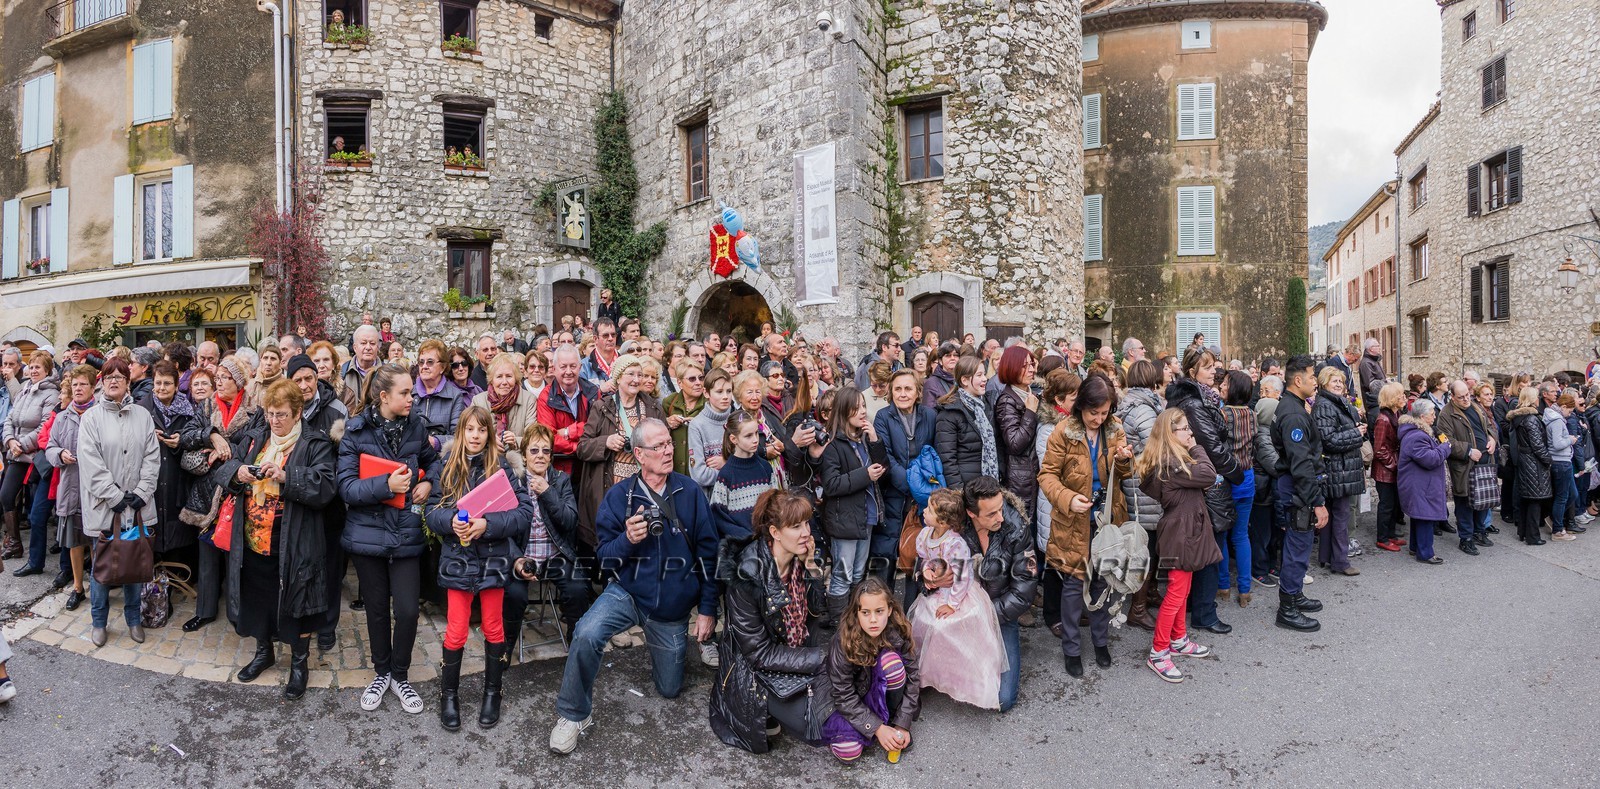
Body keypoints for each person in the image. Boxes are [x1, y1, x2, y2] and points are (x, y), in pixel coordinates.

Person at [548, 418, 719, 754]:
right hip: (627, 593)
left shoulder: (690, 492)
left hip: (671, 607)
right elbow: (606, 560)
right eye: (659, 446)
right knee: (586, 632)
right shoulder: (618, 497)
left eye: (669, 443)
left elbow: (709, 554)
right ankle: (573, 715)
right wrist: (627, 539)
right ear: (639, 454)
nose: (669, 450)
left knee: (669, 689)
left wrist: (708, 609)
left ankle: (665, 647)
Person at [214, 379, 337, 698]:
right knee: (260, 600)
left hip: (295, 540)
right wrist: (238, 472)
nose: (274, 420)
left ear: (297, 413)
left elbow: (325, 488)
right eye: (269, 413)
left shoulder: (314, 443)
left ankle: (299, 663)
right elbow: (224, 469)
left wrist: (285, 476)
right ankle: (263, 652)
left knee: (300, 603)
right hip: (255, 540)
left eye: (281, 414)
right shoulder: (256, 439)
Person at [338, 363, 442, 715]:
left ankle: (401, 675)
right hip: (368, 534)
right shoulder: (355, 431)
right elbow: (346, 487)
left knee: (410, 610)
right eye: (405, 393)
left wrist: (429, 483)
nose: (412, 398)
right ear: (384, 397)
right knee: (378, 611)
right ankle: (382, 673)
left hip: (407, 531)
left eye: (411, 392)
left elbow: (436, 462)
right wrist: (386, 486)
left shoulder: (416, 426)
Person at [425, 406, 537, 730]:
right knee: (456, 630)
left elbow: (523, 513)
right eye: (469, 429)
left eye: (481, 430)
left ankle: (493, 692)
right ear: (461, 432)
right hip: (458, 560)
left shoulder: (502, 467)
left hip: (492, 559)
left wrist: (486, 524)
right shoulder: (445, 466)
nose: (475, 436)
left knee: (493, 627)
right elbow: (432, 511)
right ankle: (449, 695)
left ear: (490, 434)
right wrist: (452, 523)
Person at [709, 489, 831, 753]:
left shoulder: (799, 557)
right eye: (796, 526)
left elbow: (817, 612)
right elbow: (759, 654)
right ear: (775, 532)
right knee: (823, 725)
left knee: (846, 690)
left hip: (792, 655)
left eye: (807, 523)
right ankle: (766, 711)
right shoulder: (748, 574)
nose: (806, 532)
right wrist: (819, 658)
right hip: (756, 674)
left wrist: (811, 568)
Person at [1038, 373, 1131, 677]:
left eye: (1105, 413)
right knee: (1074, 587)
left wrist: (1125, 460)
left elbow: (1125, 474)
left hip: (1107, 519)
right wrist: (1067, 498)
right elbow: (1047, 476)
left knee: (1103, 582)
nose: (1099, 419)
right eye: (1094, 413)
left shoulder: (1115, 429)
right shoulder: (1062, 432)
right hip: (1072, 521)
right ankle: (1072, 648)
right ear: (1080, 407)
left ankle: (1101, 642)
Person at [76, 359, 160, 647]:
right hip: (105, 508)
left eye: (119, 376)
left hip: (137, 508)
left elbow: (152, 456)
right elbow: (90, 463)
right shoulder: (91, 418)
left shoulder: (142, 415)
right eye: (109, 376)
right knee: (103, 566)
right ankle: (99, 621)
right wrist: (114, 495)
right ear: (102, 381)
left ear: (128, 381)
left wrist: (141, 492)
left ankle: (133, 619)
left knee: (134, 565)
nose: (114, 381)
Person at [1136, 408, 1221, 683]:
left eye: (1188, 428)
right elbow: (1209, 474)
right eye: (1184, 428)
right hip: (1179, 536)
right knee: (1175, 594)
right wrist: (1196, 447)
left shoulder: (1172, 462)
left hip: (1184, 533)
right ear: (1170, 434)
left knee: (1181, 592)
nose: (1190, 433)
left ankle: (1178, 639)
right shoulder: (1173, 464)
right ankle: (1159, 652)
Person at [1164, 348, 1241, 634]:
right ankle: (1205, 613)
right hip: (1208, 481)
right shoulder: (1194, 404)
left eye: (1213, 367)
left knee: (1205, 545)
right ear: (1193, 372)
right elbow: (1212, 447)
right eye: (1208, 368)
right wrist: (1237, 472)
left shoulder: (1199, 399)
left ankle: (1200, 606)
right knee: (1209, 548)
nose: (1214, 371)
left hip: (1202, 478)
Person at [906, 488, 1004, 708]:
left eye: (929, 509)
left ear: (942, 521)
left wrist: (952, 604)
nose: (924, 511)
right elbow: (924, 559)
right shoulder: (924, 535)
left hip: (956, 594)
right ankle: (928, 674)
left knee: (947, 629)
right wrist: (926, 572)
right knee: (923, 624)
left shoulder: (955, 544)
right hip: (935, 591)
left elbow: (962, 577)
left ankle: (959, 678)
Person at [948, 476, 1036, 712]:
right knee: (958, 686)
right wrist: (929, 577)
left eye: (1001, 509)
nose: (1000, 517)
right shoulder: (954, 523)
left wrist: (986, 614)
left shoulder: (1016, 527)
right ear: (971, 513)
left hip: (1000, 614)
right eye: (991, 514)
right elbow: (931, 558)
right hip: (963, 612)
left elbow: (1024, 588)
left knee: (1004, 699)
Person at [821, 576, 920, 762]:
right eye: (865, 612)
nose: (873, 620)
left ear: (889, 610)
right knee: (848, 752)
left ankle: (890, 721)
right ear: (856, 613)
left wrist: (902, 723)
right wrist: (876, 728)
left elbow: (913, 676)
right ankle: (878, 728)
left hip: (881, 696)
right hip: (852, 702)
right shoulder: (842, 641)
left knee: (892, 664)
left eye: (879, 611)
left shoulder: (898, 631)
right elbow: (843, 695)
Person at [504, 423, 585, 646]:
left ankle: (576, 642)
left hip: (554, 555)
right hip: (523, 555)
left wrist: (548, 492)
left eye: (546, 450)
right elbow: (504, 529)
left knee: (578, 588)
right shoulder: (514, 482)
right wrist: (516, 560)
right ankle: (506, 646)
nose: (540, 456)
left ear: (551, 455)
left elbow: (569, 521)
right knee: (514, 594)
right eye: (534, 450)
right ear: (524, 454)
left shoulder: (560, 480)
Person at [576, 355, 664, 547]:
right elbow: (582, 448)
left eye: (640, 374)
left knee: (644, 537)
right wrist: (606, 442)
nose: (636, 379)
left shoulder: (652, 407)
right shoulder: (602, 407)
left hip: (645, 486)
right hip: (611, 487)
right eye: (630, 374)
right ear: (618, 377)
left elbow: (666, 444)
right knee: (615, 538)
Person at [818, 386, 887, 623]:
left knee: (858, 573)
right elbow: (832, 485)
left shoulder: (864, 439)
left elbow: (882, 471)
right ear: (844, 411)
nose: (862, 412)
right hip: (845, 520)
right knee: (842, 574)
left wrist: (876, 440)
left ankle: (855, 620)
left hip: (866, 517)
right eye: (856, 408)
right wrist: (865, 475)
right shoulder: (834, 445)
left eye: (864, 406)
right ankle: (840, 622)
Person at [1269, 355, 1326, 633]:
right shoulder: (1292, 413)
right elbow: (1300, 464)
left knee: (1299, 544)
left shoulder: (1295, 407)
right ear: (1298, 380)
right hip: (1297, 487)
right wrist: (1317, 502)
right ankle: (1287, 608)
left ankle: (1295, 595)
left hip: (1297, 484)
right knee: (1297, 546)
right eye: (1312, 376)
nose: (1315, 381)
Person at [138, 361, 211, 562]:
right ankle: (153, 580)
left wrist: (181, 441)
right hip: (151, 479)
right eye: (158, 383)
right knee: (152, 529)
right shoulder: (141, 409)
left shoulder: (189, 411)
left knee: (178, 533)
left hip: (178, 479)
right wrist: (145, 436)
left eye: (167, 383)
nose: (162, 388)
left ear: (177, 386)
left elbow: (197, 441)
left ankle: (176, 578)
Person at [873, 368, 936, 592]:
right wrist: (911, 484)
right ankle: (883, 603)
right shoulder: (883, 417)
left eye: (908, 388)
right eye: (897, 389)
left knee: (917, 551)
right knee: (886, 551)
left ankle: (913, 611)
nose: (902, 394)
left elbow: (932, 454)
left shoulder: (929, 415)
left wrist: (923, 487)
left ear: (917, 392)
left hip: (921, 497)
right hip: (893, 492)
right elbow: (886, 457)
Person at [1114, 361, 1163, 629]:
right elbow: (1155, 444)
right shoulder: (1143, 408)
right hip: (1144, 485)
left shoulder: (1133, 403)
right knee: (1145, 549)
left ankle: (1149, 592)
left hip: (1139, 482)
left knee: (1150, 546)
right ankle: (1138, 608)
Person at [44, 365, 97, 609]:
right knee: (75, 542)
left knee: (98, 541)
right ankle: (78, 587)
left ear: (92, 387)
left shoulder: (100, 413)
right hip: (70, 486)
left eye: (83, 384)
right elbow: (50, 446)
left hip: (96, 489)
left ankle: (99, 585)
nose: (78, 388)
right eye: (75, 384)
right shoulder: (63, 416)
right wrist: (60, 454)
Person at [1034, 368, 1082, 636]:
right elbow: (1049, 469)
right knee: (1054, 560)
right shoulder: (1048, 429)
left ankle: (1070, 610)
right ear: (1060, 400)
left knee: (1072, 557)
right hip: (1054, 502)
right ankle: (1053, 614)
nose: (1080, 400)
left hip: (1073, 500)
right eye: (1075, 396)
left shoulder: (1076, 423)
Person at [1, 350, 58, 561]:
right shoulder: (24, 388)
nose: (33, 371)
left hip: (35, 456)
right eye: (31, 366)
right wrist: (10, 441)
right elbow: (10, 418)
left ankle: (37, 557)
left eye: (38, 367)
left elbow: (45, 426)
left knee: (36, 510)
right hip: (16, 452)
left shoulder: (51, 394)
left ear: (47, 370)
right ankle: (15, 543)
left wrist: (22, 445)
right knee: (6, 495)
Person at [1312, 365, 1365, 577]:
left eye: (1341, 382)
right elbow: (1328, 440)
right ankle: (1341, 562)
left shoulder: (1337, 403)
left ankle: (1327, 557)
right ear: (1324, 383)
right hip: (1337, 468)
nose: (1339, 385)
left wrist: (1359, 430)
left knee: (1333, 515)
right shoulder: (1325, 405)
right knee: (1340, 516)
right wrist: (1355, 434)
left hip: (1341, 468)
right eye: (1334, 381)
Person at [1438, 380, 1496, 554]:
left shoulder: (1476, 407)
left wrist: (1493, 438)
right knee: (1464, 503)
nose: (1466, 399)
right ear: (1452, 397)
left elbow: (1490, 427)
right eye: (1461, 397)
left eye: (1467, 395)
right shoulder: (1446, 414)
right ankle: (1466, 538)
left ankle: (1479, 531)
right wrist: (1469, 451)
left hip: (1485, 462)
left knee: (1482, 500)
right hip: (1464, 466)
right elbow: (1445, 440)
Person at [1217, 370, 1257, 606]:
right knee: (1241, 536)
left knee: (1222, 535)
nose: (1222, 386)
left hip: (1225, 478)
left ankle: (1223, 586)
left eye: (1225, 383)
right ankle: (1244, 590)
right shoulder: (1252, 414)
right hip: (1247, 476)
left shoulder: (1223, 414)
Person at [708, 410, 781, 542]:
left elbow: (776, 504)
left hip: (767, 540)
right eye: (748, 436)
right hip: (741, 546)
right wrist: (745, 537)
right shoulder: (726, 474)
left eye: (756, 434)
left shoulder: (765, 467)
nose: (755, 440)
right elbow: (718, 515)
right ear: (733, 439)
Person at [1397, 400, 1449, 564]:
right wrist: (1445, 447)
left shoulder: (1416, 433)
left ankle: (1415, 547)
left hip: (1418, 483)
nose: (1435, 416)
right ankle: (1425, 553)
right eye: (1432, 414)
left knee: (1418, 516)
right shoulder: (1417, 436)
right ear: (1422, 416)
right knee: (1425, 516)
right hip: (1419, 485)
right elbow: (1430, 459)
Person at [934, 356, 995, 491]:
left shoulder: (986, 406)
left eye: (984, 374)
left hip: (989, 485)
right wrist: (960, 492)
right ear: (965, 380)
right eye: (979, 375)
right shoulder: (949, 412)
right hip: (968, 488)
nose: (985, 379)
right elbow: (947, 459)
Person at [993, 346, 1041, 518]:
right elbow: (1014, 443)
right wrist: (1030, 413)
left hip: (1034, 473)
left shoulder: (1031, 394)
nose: (1031, 369)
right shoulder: (1007, 401)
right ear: (1012, 367)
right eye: (1024, 365)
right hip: (1020, 479)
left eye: (1032, 364)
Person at [470, 354, 536, 472]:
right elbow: (469, 435)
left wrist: (515, 440)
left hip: (520, 465)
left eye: (509, 376)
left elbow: (533, 437)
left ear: (516, 378)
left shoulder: (529, 400)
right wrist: (488, 440)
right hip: (485, 463)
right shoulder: (478, 401)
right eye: (499, 376)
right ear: (491, 380)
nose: (504, 382)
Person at [538, 344, 596, 478]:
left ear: (580, 367)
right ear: (554, 369)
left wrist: (569, 431)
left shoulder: (592, 392)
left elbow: (597, 428)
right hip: (559, 470)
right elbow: (549, 438)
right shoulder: (546, 397)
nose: (568, 371)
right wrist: (581, 447)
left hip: (590, 468)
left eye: (573, 366)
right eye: (563, 366)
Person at [412, 339, 469, 455]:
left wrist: (436, 442)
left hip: (440, 459)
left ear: (442, 367)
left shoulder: (454, 396)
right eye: (421, 362)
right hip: (411, 457)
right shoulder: (409, 393)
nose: (424, 366)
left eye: (430, 362)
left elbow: (459, 436)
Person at [1371, 382, 1406, 552]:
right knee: (1386, 505)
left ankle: (1391, 534)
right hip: (1385, 470)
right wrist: (1395, 464)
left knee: (1394, 504)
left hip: (1393, 467)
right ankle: (1382, 538)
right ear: (1392, 398)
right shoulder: (1383, 419)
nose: (1403, 397)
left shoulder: (1396, 414)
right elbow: (1379, 449)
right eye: (1400, 394)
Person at [687, 368, 734, 491]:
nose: (725, 396)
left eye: (729, 391)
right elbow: (699, 475)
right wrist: (734, 473)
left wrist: (726, 464)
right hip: (711, 499)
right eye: (719, 392)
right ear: (706, 393)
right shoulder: (697, 425)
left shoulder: (737, 421)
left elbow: (749, 462)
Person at [1544, 391, 1582, 542]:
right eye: (1570, 411)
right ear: (1564, 407)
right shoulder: (1557, 420)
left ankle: (1554, 519)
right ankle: (1558, 530)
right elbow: (1558, 443)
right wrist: (1571, 440)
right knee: (1563, 496)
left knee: (1572, 494)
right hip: (1560, 462)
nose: (1569, 415)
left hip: (1562, 461)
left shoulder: (1554, 418)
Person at [663, 359, 706, 476]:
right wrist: (667, 423)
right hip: (674, 473)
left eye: (701, 378)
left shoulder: (710, 403)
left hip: (701, 473)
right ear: (680, 382)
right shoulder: (669, 402)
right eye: (692, 379)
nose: (698, 383)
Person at [341, 325, 383, 412]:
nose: (368, 347)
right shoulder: (342, 373)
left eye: (372, 343)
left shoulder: (387, 373)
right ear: (355, 347)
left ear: (378, 347)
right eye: (363, 343)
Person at [579, 318, 620, 391]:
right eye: (605, 335)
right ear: (595, 339)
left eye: (613, 335)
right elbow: (582, 398)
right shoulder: (583, 367)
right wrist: (599, 390)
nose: (610, 338)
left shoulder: (626, 362)